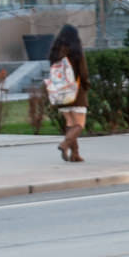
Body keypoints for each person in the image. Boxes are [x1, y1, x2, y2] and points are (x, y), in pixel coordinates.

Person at [47, 24, 89, 163]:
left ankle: (75, 154)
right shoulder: (76, 51)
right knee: (79, 125)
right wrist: (86, 85)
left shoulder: (55, 53)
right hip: (76, 92)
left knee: (70, 123)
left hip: (61, 92)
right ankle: (65, 144)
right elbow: (83, 72)